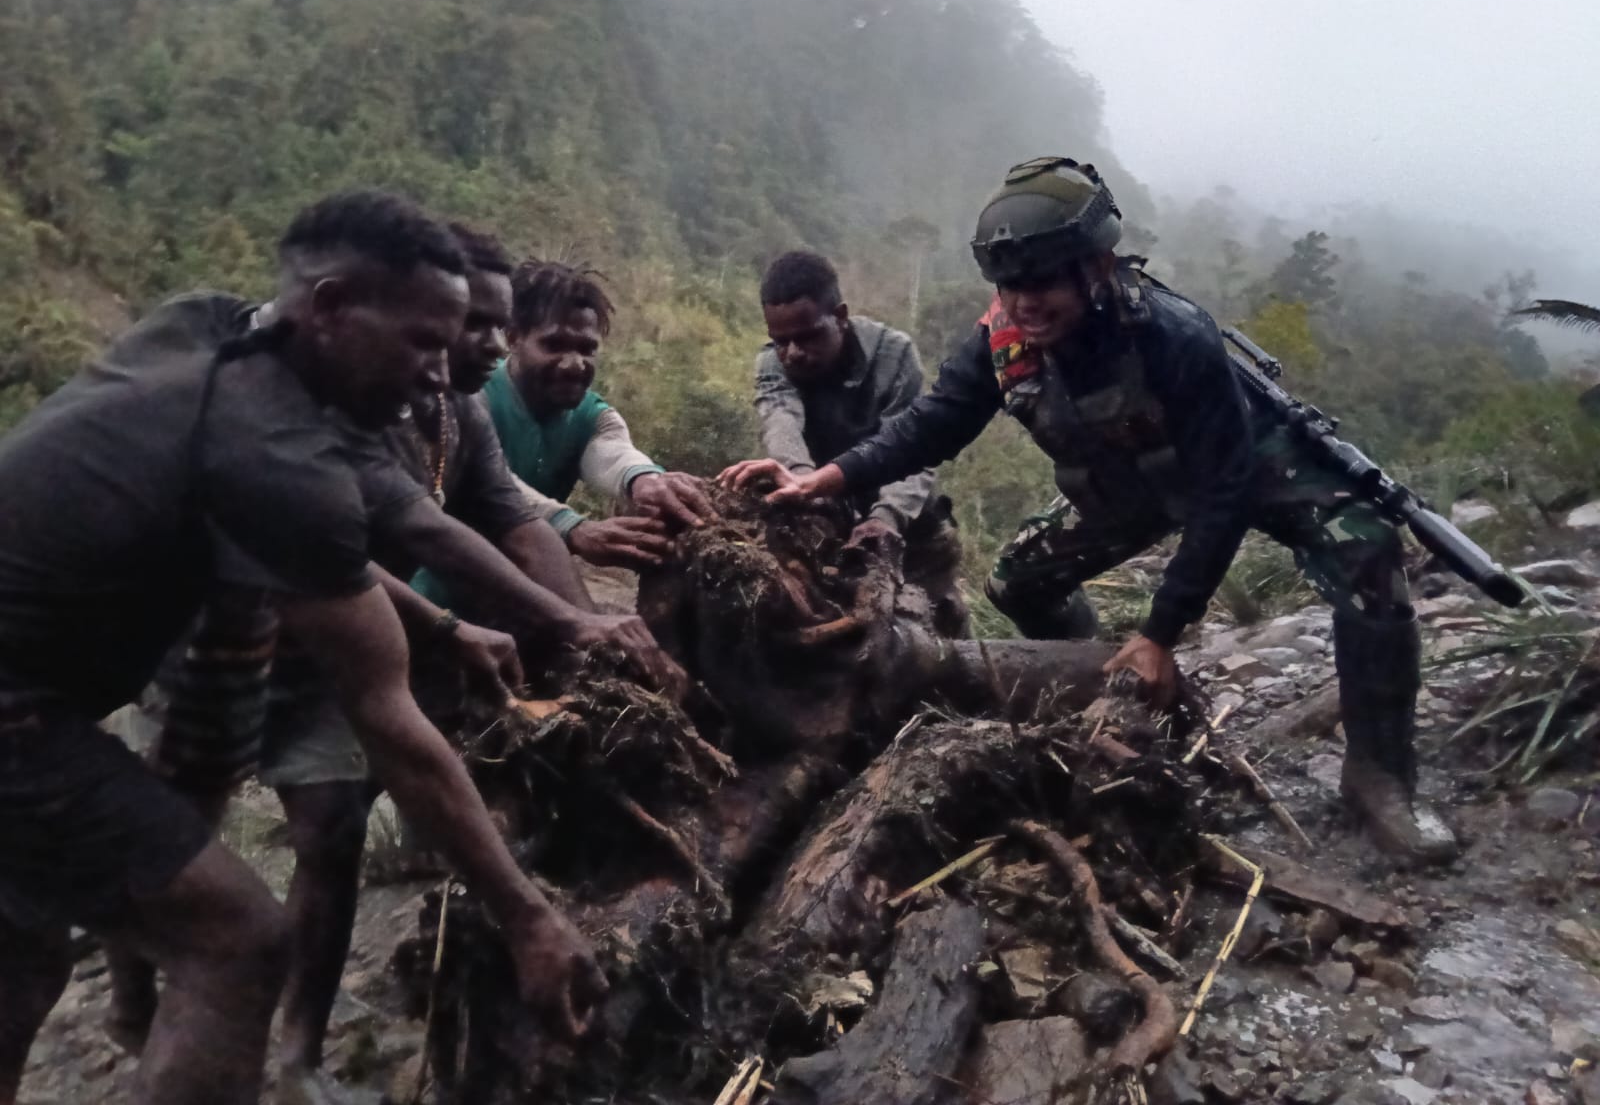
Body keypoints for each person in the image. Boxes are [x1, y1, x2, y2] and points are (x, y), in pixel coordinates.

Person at [0, 190, 605, 1105]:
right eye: (421, 342)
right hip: (22, 721)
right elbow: (388, 716)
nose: (439, 372)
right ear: (327, 308)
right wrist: (526, 916)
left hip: (43, 699)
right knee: (238, 942)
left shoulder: (208, 329)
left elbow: (403, 507)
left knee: (23, 946)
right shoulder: (274, 459)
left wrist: (554, 622)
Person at [722, 155, 1457, 866]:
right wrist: (828, 478)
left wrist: (1163, 630)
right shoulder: (1000, 341)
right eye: (1008, 284)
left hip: (1246, 466)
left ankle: (1378, 775)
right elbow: (934, 423)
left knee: (1367, 553)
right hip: (1125, 485)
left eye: (1043, 280)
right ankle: (1103, 687)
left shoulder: (1174, 335)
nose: (1024, 301)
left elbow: (1222, 493)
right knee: (1019, 583)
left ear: (1098, 266)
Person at [417, 260, 714, 590]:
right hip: (437, 600)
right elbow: (493, 484)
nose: (575, 364)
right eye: (554, 345)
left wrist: (646, 481)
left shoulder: (594, 417)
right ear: (514, 338)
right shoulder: (473, 397)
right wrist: (573, 528)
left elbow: (614, 455)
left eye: (587, 349)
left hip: (528, 603)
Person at [753, 250, 968, 637]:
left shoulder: (895, 354)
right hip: (829, 524)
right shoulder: (771, 363)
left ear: (840, 315)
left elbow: (914, 447)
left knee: (944, 639)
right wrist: (805, 487)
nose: (793, 354)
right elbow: (781, 423)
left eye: (808, 337)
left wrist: (885, 518)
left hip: (915, 531)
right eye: (781, 341)